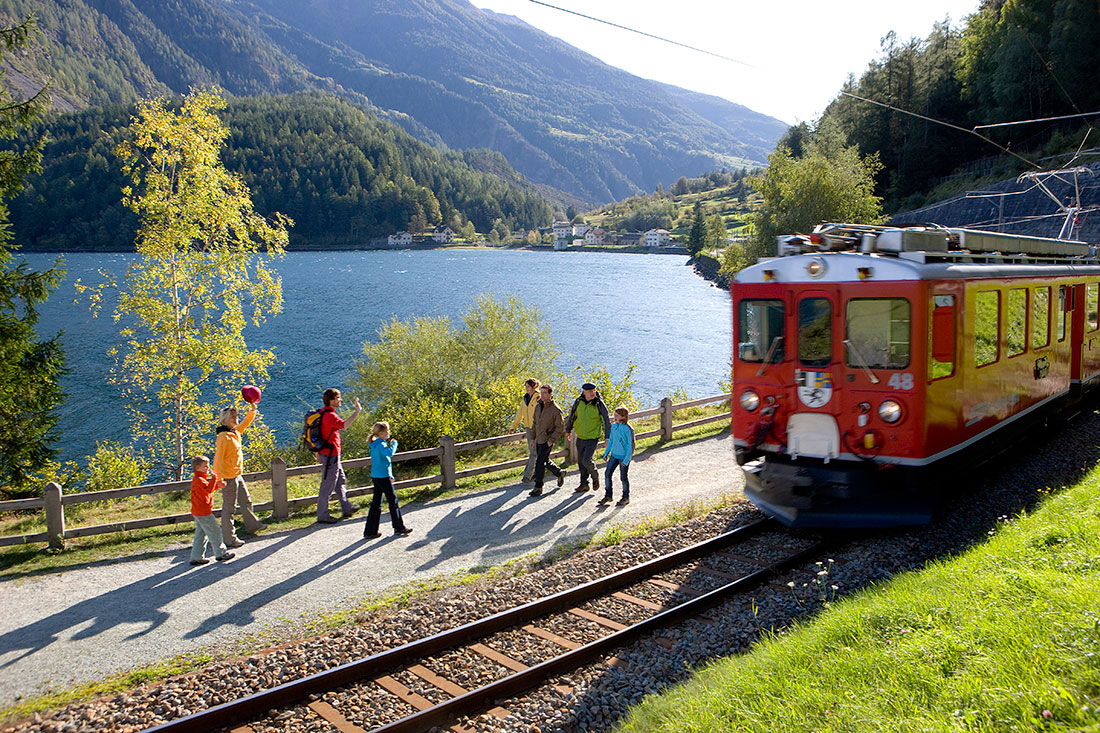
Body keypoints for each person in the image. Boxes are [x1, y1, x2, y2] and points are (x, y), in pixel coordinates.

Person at [214, 401, 266, 547]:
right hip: (228, 477)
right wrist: (218, 478)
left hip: (237, 474)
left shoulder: (235, 432)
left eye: (236, 416)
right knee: (229, 508)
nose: (236, 418)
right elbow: (218, 459)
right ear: (225, 419)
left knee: (246, 501)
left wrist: (253, 410)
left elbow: (245, 423)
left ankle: (252, 525)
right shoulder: (223, 437)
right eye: (232, 416)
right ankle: (229, 538)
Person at [317, 388, 361, 524]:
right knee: (327, 485)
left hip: (329, 454)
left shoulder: (322, 412)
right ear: (331, 400)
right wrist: (357, 411)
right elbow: (344, 425)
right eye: (338, 398)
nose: (340, 400)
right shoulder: (330, 416)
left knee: (340, 480)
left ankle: (346, 507)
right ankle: (323, 515)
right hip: (331, 455)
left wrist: (318, 452)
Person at [363, 421, 412, 538]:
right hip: (383, 476)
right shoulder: (381, 444)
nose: (389, 432)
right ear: (381, 433)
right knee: (393, 501)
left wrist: (390, 475)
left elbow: (382, 461)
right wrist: (394, 444)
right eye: (387, 431)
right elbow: (389, 454)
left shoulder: (374, 444)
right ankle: (399, 527)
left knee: (376, 503)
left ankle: (370, 531)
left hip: (376, 475)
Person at [564, 382, 611, 493]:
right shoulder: (578, 402)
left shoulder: (599, 403)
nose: (592, 393)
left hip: (593, 437)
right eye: (590, 391)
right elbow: (572, 416)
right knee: (581, 462)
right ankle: (584, 484)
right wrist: (568, 430)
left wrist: (607, 437)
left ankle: (595, 476)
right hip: (580, 436)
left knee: (586, 460)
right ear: (584, 392)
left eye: (594, 391)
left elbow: (606, 421)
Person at [189, 455, 234, 565]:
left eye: (208, 466)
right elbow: (208, 489)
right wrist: (214, 478)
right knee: (215, 532)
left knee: (201, 534)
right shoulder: (199, 479)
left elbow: (206, 488)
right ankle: (221, 553)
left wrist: (218, 485)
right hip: (204, 512)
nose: (207, 468)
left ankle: (196, 557)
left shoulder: (198, 479)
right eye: (205, 466)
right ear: (197, 468)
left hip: (197, 511)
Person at [529, 383, 565, 497]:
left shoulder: (555, 410)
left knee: (540, 462)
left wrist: (551, 440)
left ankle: (538, 487)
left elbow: (560, 428)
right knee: (544, 460)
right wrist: (532, 438)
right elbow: (535, 423)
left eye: (545, 393)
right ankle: (559, 472)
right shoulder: (538, 407)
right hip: (538, 439)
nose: (543, 395)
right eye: (542, 393)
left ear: (550, 394)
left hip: (547, 440)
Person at [599, 407, 635, 507]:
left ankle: (625, 497)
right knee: (607, 474)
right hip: (614, 455)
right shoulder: (614, 426)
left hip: (623, 457)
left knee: (623, 477)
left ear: (623, 416)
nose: (614, 417)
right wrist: (606, 453)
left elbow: (630, 445)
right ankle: (608, 496)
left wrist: (626, 460)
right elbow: (611, 440)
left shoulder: (628, 429)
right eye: (614, 415)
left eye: (617, 415)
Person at [510, 378, 541, 483]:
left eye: (528, 386)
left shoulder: (539, 397)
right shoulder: (525, 398)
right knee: (536, 452)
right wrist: (513, 426)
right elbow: (520, 413)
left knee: (533, 453)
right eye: (526, 386)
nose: (526, 388)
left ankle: (527, 476)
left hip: (537, 428)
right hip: (528, 428)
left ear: (534, 386)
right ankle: (556, 471)